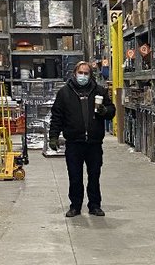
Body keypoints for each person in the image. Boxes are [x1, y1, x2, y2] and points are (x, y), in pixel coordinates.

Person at [48, 60, 116, 217]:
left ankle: (94, 205)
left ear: (90, 75)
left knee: (94, 176)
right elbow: (57, 116)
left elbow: (112, 111)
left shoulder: (99, 91)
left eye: (86, 73)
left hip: (93, 143)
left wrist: (105, 110)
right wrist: (53, 136)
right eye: (81, 73)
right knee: (75, 176)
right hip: (74, 143)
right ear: (74, 73)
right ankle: (75, 206)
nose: (83, 76)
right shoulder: (64, 93)